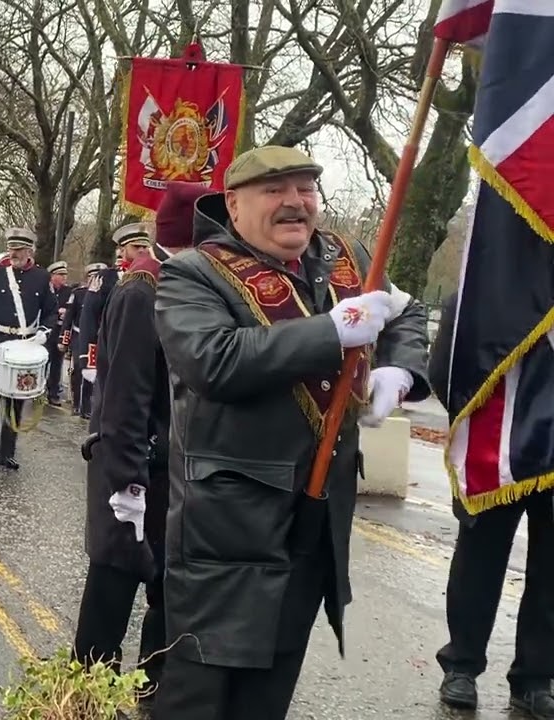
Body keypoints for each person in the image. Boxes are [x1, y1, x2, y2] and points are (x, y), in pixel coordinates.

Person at [150, 146, 430, 720]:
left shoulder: (347, 260)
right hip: (227, 533)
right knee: (201, 695)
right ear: (233, 203)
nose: (294, 203)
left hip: (315, 524)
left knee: (269, 695)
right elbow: (214, 362)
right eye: (274, 190)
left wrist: (400, 369)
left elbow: (406, 311)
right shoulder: (193, 274)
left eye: (305, 188)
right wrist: (333, 330)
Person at [72, 181, 209, 691]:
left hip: (172, 468)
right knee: (111, 589)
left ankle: (155, 690)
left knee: (168, 593)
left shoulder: (183, 283)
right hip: (134, 468)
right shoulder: (140, 291)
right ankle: (87, 694)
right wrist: (127, 486)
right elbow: (124, 402)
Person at [429, 290, 554, 717]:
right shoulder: (479, 291)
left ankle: (536, 677)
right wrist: (472, 426)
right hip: (493, 446)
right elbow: (445, 371)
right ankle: (461, 665)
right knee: (478, 560)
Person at [0, 227, 57, 470]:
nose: (14, 254)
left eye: (18, 250)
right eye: (11, 249)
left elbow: (51, 311)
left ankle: (7, 452)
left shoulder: (42, 277)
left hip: (25, 342)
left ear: (29, 250)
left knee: (16, 396)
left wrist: (43, 332)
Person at [77, 223, 153, 420]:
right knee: (107, 412)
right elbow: (89, 319)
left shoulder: (154, 275)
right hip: (110, 351)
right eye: (136, 247)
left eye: (145, 247)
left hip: (142, 352)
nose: (143, 251)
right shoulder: (106, 278)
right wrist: (89, 361)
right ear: (122, 249)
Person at [61, 263, 105, 417]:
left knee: (92, 372)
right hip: (79, 335)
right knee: (79, 369)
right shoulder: (78, 294)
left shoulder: (106, 294)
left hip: (97, 337)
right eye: (92, 276)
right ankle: (76, 403)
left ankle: (86, 407)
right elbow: (69, 318)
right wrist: (64, 339)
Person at [46, 261, 72, 406]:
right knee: (43, 363)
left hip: (60, 332)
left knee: (57, 363)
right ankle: (38, 390)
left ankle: (53, 392)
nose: (64, 278)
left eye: (65, 275)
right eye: (60, 275)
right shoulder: (46, 290)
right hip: (47, 332)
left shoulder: (68, 292)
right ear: (52, 276)